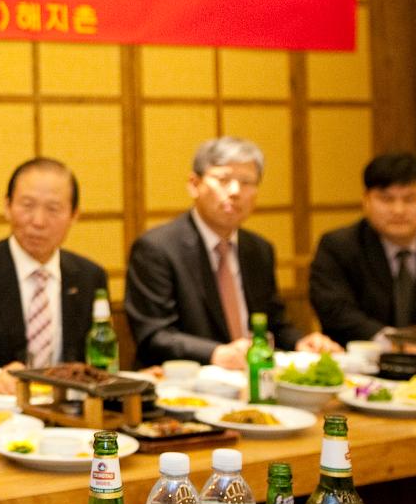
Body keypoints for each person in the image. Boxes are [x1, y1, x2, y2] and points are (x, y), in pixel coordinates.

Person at [124, 136, 340, 369]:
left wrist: (302, 342)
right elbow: (154, 335)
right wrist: (217, 353)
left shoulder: (258, 249)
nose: (236, 191)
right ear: (194, 184)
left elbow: (274, 324)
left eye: (247, 182)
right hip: (186, 384)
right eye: (224, 179)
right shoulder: (157, 248)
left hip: (254, 376)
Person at [0, 157, 109, 395]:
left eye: (53, 209)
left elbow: (97, 353)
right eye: (27, 205)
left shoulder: (89, 276)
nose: (38, 221)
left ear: (74, 215)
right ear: (7, 206)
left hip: (67, 413)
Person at [309, 152, 416, 346]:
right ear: (366, 199)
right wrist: (396, 342)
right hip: (360, 365)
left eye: (410, 199)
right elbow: (335, 310)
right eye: (386, 199)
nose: (398, 210)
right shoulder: (338, 245)